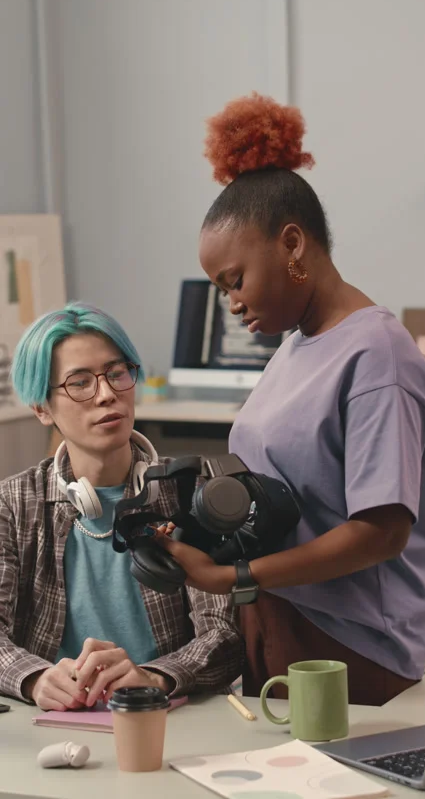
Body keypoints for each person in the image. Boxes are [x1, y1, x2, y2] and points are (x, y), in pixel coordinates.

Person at [156, 93, 425, 706]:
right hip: (276, 623)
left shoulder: (377, 354)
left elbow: (380, 533)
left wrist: (236, 576)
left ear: (291, 244)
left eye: (235, 280)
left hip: (349, 647)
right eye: (221, 289)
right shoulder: (295, 347)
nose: (232, 304)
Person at [0, 302, 243, 710]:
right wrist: (35, 678)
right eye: (80, 383)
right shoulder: (12, 504)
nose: (107, 394)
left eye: (117, 374)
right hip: (54, 723)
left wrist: (153, 677)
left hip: (162, 715)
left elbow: (224, 634)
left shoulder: (190, 492)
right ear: (42, 408)